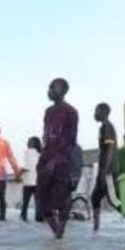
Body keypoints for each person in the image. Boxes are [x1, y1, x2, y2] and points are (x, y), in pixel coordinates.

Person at [37, 79, 78, 239]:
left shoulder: (71, 112)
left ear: (63, 90)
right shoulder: (48, 111)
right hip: (45, 159)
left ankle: (60, 233)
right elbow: (46, 137)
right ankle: (56, 234)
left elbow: (71, 140)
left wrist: (55, 161)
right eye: (49, 87)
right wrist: (44, 160)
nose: (49, 90)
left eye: (53, 87)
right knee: (41, 199)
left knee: (64, 198)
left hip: (62, 161)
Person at [92, 103, 119, 233]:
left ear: (103, 112)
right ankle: (95, 229)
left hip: (107, 170)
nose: (94, 114)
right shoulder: (103, 127)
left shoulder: (107, 127)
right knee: (95, 198)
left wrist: (106, 170)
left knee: (113, 200)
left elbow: (110, 149)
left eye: (96, 111)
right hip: (102, 170)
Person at [0, 123, 21, 224]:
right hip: (1, 173)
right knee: (2, 197)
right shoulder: (5, 142)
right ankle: (2, 218)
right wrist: (17, 173)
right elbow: (12, 159)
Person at [20, 137, 43, 222]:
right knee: (38, 201)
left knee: (26, 200)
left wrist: (19, 173)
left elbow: (26, 166)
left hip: (28, 180)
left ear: (32, 144)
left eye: (29, 142)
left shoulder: (28, 153)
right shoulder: (41, 153)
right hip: (38, 180)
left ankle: (23, 215)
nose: (27, 143)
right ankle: (39, 216)